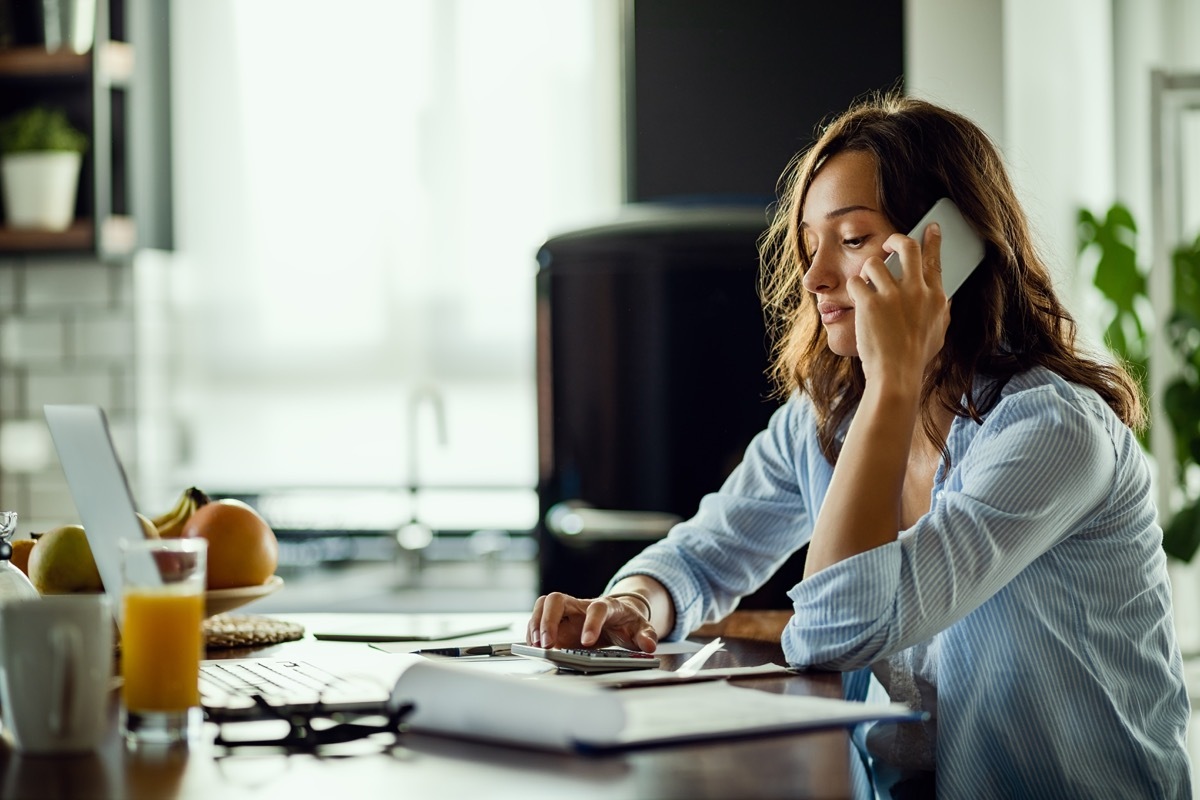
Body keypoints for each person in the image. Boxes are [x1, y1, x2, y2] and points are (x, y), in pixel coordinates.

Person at [525, 94, 1192, 798]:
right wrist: (635, 602)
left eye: (850, 239)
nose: (814, 279)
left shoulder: (1053, 433)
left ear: (950, 245)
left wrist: (893, 381)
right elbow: (702, 553)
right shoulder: (826, 417)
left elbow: (837, 628)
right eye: (810, 247)